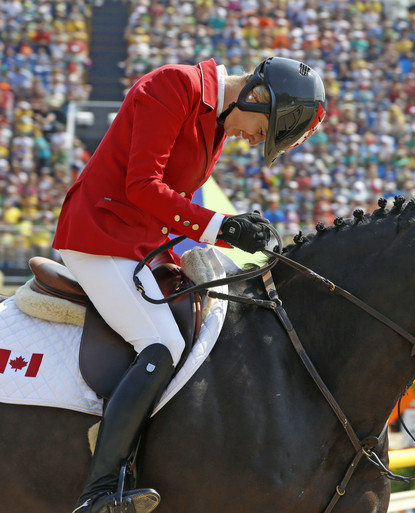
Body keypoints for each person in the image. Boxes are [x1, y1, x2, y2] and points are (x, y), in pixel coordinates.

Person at [52, 56, 326, 513]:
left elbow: (170, 202)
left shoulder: (215, 119)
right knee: (160, 343)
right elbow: (142, 186)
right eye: (262, 131)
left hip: (140, 245)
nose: (253, 140)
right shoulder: (174, 86)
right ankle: (98, 491)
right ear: (256, 95)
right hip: (98, 234)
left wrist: (228, 230)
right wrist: (224, 227)